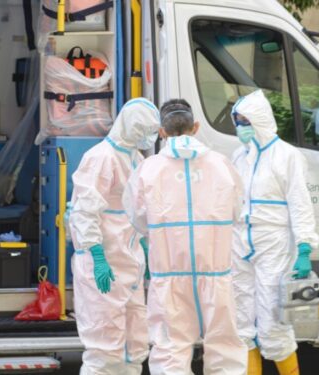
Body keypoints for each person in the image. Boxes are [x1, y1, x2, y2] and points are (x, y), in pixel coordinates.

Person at [123, 99, 247, 374]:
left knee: (170, 350)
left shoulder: (148, 169)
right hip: (216, 273)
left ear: (162, 132)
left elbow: (137, 218)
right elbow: (239, 211)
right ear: (196, 127)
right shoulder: (222, 164)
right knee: (225, 347)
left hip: (169, 276)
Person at [229, 90, 319, 375]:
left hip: (274, 245)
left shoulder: (287, 156)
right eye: (238, 122)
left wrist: (304, 248)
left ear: (260, 121)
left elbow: (300, 204)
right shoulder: (239, 156)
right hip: (239, 243)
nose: (241, 128)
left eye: (245, 122)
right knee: (241, 322)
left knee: (273, 324)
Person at [69, 97, 160, 375]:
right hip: (104, 265)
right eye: (144, 129)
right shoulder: (100, 158)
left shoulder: (136, 158)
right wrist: (96, 255)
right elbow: (84, 211)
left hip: (130, 264)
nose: (148, 136)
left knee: (134, 347)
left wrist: (145, 248)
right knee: (104, 348)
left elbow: (139, 211)